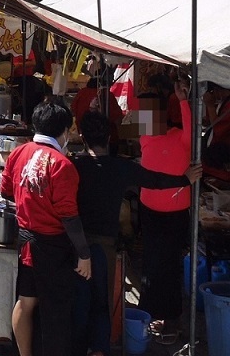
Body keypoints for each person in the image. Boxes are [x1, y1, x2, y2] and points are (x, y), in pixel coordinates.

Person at [71, 111, 201, 356]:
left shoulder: (73, 165)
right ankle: (99, 351)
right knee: (102, 303)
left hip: (76, 243)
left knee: (78, 300)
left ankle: (77, 348)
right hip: (105, 245)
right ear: (109, 137)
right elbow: (155, 180)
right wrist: (185, 180)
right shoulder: (121, 167)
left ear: (81, 136)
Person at [0, 101, 91, 356]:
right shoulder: (62, 164)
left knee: (26, 302)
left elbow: (6, 191)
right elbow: (69, 217)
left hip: (26, 241)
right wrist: (84, 254)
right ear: (63, 130)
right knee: (56, 312)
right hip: (52, 247)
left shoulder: (19, 152)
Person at [137, 80, 192, 341]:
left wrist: (183, 101)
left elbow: (191, 129)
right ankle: (156, 316)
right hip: (152, 211)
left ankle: (168, 320)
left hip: (172, 214)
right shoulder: (146, 136)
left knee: (165, 267)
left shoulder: (179, 138)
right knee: (155, 265)